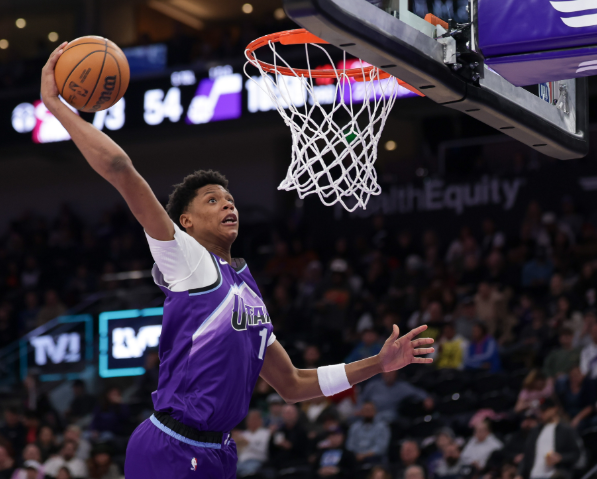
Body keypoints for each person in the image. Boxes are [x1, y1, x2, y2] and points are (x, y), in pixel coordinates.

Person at [39, 43, 435, 479]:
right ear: (186, 222)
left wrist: (378, 364)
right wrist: (56, 106)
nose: (228, 205)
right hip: (171, 446)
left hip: (219, 453)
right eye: (213, 200)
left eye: (229, 199)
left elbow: (292, 384)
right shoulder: (186, 258)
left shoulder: (247, 288)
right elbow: (119, 167)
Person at [516, 399, 581, 479]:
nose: (542, 414)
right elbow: (527, 455)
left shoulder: (566, 430)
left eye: (544, 410)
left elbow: (576, 453)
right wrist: (520, 474)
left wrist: (561, 458)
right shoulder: (535, 431)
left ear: (554, 409)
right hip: (534, 475)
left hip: (555, 476)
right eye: (540, 411)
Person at [357, 371, 433, 423]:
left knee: (384, 416)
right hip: (371, 411)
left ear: (396, 374)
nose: (389, 375)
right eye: (387, 372)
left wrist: (426, 398)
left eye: (391, 372)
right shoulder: (373, 385)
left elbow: (416, 392)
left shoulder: (402, 387)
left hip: (389, 413)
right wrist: (360, 409)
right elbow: (362, 399)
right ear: (383, 373)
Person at [269, 405, 311, 478]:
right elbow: (271, 451)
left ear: (296, 415)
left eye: (290, 413)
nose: (288, 415)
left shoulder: (302, 431)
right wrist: (272, 436)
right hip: (280, 464)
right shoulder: (279, 431)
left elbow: (305, 450)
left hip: (297, 463)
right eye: (285, 413)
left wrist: (290, 446)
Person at [346, 402, 390, 467]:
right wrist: (357, 455)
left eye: (370, 410)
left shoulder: (382, 427)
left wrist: (365, 455)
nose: (368, 412)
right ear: (361, 412)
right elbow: (350, 445)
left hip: (375, 458)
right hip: (356, 458)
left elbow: (381, 447)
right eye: (366, 410)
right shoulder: (354, 427)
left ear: (375, 411)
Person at [234, 409, 270, 477]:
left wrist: (248, 443)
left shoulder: (265, 433)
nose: (252, 422)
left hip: (256, 461)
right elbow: (238, 452)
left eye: (254, 419)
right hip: (241, 462)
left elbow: (263, 451)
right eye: (250, 419)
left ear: (260, 420)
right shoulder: (244, 434)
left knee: (247, 473)